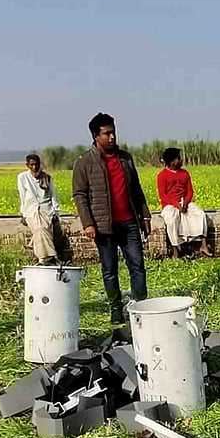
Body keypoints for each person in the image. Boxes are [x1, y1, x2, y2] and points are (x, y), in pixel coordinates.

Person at [73, 113, 152, 326]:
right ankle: (116, 309)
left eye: (113, 132)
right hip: (103, 226)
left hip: (129, 222)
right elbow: (79, 194)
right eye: (107, 133)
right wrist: (88, 223)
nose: (112, 137)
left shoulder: (125, 158)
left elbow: (136, 188)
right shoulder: (85, 162)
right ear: (95, 136)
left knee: (137, 265)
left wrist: (145, 216)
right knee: (110, 271)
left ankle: (140, 307)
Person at [156, 147, 213, 258]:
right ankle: (176, 249)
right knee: (171, 220)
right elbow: (163, 196)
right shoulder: (162, 176)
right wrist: (177, 205)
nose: (181, 160)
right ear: (172, 161)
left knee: (200, 214)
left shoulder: (185, 173)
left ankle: (203, 245)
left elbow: (190, 191)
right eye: (178, 158)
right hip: (170, 204)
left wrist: (185, 203)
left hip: (184, 202)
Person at [17, 153, 65, 264]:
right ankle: (50, 255)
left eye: (36, 165)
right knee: (40, 229)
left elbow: (53, 195)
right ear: (27, 165)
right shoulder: (22, 177)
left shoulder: (46, 177)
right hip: (31, 210)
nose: (34, 168)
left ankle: (42, 258)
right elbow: (23, 196)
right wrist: (23, 213)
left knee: (41, 229)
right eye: (32, 165)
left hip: (46, 209)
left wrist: (56, 211)